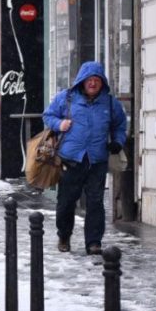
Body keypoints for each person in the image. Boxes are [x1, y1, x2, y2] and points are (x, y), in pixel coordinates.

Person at [42, 61, 127, 255]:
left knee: (96, 202)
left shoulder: (110, 103)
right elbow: (48, 115)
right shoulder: (67, 98)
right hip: (70, 159)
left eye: (97, 80)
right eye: (89, 79)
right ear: (82, 80)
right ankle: (64, 235)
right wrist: (59, 124)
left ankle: (93, 242)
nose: (93, 83)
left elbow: (120, 126)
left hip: (97, 160)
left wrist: (118, 141)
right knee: (66, 202)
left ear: (102, 82)